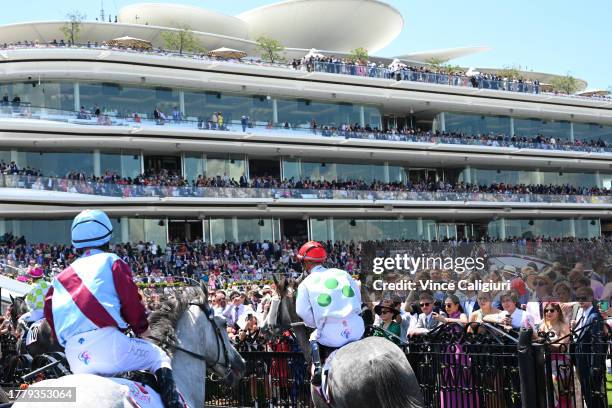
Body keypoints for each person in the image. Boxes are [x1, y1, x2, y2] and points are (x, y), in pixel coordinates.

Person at [43, 209, 184, 408]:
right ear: (107, 236)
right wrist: (142, 329)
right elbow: (130, 302)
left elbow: (51, 318)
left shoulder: (58, 279)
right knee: (158, 355)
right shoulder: (113, 261)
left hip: (75, 357)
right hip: (108, 347)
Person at [295, 240, 364, 386]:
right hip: (357, 329)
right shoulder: (343, 273)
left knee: (313, 336)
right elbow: (358, 299)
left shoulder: (305, 284)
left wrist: (315, 323)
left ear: (306, 263)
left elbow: (302, 312)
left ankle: (319, 372)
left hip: (332, 336)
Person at [570, 287, 606, 408]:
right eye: (578, 298)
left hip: (589, 361)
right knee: (587, 392)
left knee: (593, 393)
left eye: (583, 298)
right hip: (581, 358)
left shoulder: (594, 315)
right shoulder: (583, 313)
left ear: (591, 298)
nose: (580, 300)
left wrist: (594, 365)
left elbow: (597, 344)